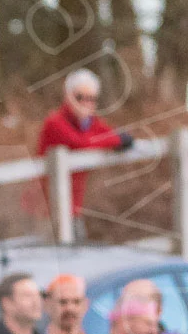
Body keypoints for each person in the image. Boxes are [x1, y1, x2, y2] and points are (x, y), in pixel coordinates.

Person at [35, 69, 136, 240]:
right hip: (46, 210)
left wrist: (120, 139)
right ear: (68, 96)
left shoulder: (88, 123)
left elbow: (106, 133)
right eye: (80, 97)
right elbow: (81, 142)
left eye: (92, 99)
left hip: (73, 208)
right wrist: (116, 140)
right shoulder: (54, 122)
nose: (86, 103)